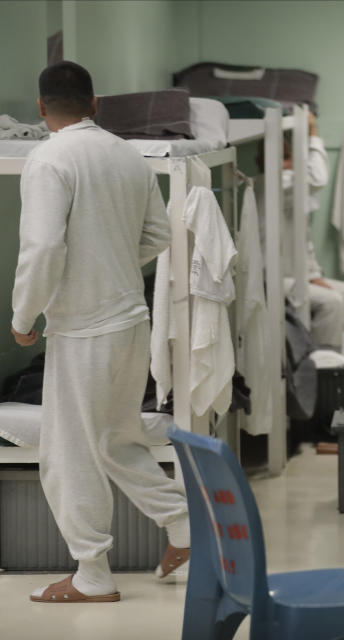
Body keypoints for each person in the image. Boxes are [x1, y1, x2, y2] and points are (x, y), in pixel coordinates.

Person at [11, 61, 190, 603]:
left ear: (41, 109)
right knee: (116, 439)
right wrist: (109, 262)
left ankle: (92, 574)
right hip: (131, 322)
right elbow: (159, 233)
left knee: (67, 453)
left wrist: (24, 316)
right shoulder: (127, 154)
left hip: (84, 330)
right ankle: (185, 525)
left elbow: (43, 248)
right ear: (95, 103)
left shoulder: (47, 159)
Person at [280, 112, 344, 348]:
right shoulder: (272, 186)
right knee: (332, 302)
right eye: (285, 157)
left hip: (298, 277)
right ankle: (321, 373)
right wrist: (313, 132)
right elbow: (317, 177)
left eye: (289, 156)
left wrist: (316, 277)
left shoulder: (296, 196)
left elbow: (303, 245)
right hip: (274, 279)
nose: (290, 164)